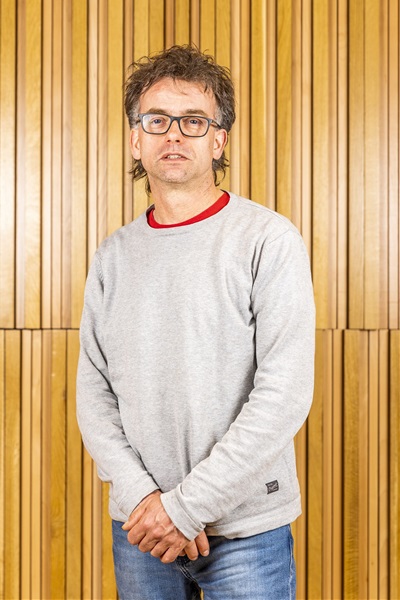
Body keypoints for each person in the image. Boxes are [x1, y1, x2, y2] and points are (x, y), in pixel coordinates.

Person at [77, 45, 315, 600]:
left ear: (218, 140)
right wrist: (145, 501)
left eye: (193, 121)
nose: (174, 135)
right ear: (136, 140)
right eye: (157, 120)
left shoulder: (269, 240)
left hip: (246, 533)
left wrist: (185, 509)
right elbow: (94, 393)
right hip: (141, 530)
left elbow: (284, 393)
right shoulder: (112, 257)